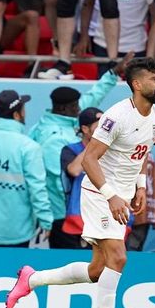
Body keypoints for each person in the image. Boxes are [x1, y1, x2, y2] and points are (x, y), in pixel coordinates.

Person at [7, 57, 155, 308]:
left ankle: (31, 280)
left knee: (98, 270)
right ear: (137, 84)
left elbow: (141, 154)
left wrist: (141, 187)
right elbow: (89, 160)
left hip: (122, 196)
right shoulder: (116, 117)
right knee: (119, 258)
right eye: (154, 79)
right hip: (99, 193)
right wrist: (111, 195)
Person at [29, 52, 133, 248]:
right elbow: (60, 180)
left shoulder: (65, 118)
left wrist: (113, 73)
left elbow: (92, 98)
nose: (80, 109)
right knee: (71, 262)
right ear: (66, 108)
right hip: (62, 213)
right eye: (76, 106)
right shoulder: (53, 139)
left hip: (80, 211)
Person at [0, 90, 52, 247]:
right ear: (16, 115)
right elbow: (37, 188)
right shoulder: (29, 147)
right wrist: (46, 221)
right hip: (17, 232)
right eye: (23, 109)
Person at [58, 106, 103, 249]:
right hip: (78, 222)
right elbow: (74, 170)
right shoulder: (70, 150)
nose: (104, 131)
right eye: (99, 127)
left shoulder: (109, 152)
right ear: (85, 129)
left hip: (104, 220)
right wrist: (96, 143)